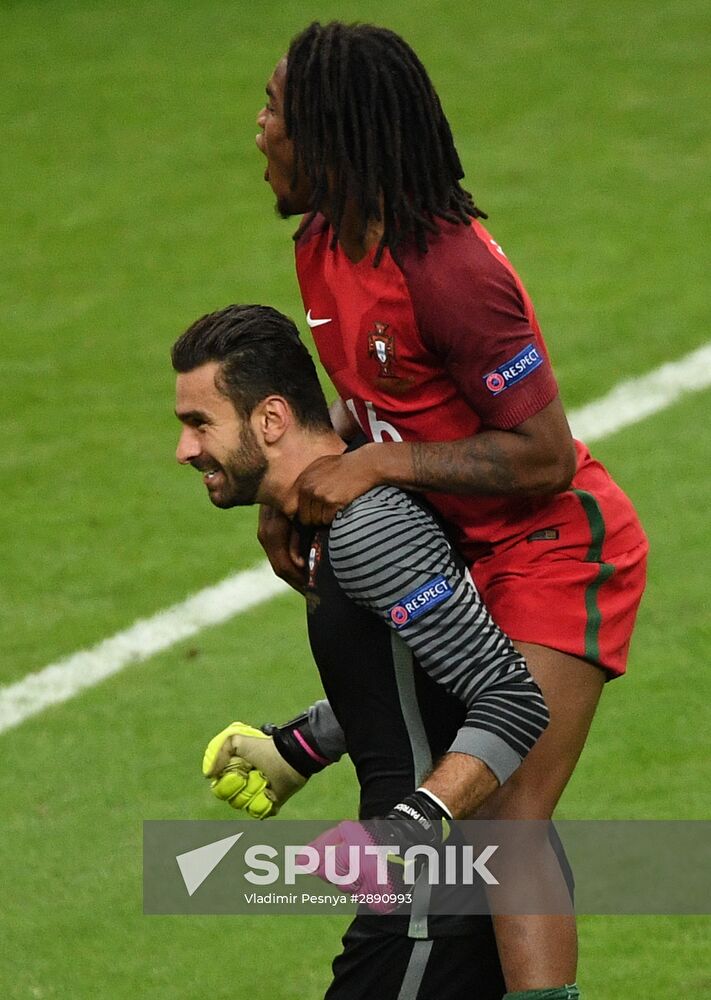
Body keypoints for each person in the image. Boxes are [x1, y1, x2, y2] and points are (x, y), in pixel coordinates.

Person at [253, 21, 649, 1000]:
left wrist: (378, 470)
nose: (258, 132)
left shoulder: (453, 271)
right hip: (457, 544)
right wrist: (304, 480)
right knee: (448, 769)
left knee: (508, 809)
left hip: (557, 548)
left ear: (330, 133)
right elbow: (371, 400)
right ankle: (305, 742)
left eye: (273, 112)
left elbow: (544, 454)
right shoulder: (322, 248)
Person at [172, 303, 553, 1000]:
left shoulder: (364, 527)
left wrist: (403, 830)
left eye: (200, 425)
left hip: (426, 903)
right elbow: (414, 674)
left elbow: (510, 697)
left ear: (270, 420)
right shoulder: (325, 524)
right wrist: (304, 743)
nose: (185, 450)